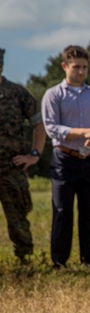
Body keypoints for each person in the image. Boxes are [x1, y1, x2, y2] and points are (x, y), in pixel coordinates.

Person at [41, 45, 90, 268]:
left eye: (85, 67)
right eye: (76, 67)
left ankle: (89, 261)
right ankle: (59, 262)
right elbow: (51, 127)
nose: (81, 72)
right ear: (65, 66)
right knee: (62, 211)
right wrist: (81, 132)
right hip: (65, 158)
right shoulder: (53, 95)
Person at [0, 47, 46, 265]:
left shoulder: (18, 94)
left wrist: (34, 154)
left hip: (11, 168)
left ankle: (25, 263)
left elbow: (39, 123)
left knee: (18, 219)